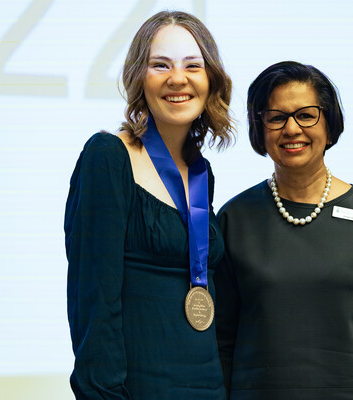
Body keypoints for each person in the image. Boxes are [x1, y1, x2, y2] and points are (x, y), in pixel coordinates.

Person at [214, 61, 353, 400]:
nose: (291, 128)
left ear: (329, 123)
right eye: (276, 117)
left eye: (306, 115)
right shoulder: (233, 219)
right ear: (260, 130)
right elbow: (221, 340)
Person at [64, 11, 233, 400]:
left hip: (209, 387)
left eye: (194, 65)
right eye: (161, 65)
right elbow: (94, 302)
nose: (178, 78)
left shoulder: (200, 174)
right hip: (140, 389)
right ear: (140, 76)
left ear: (211, 81)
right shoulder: (108, 156)